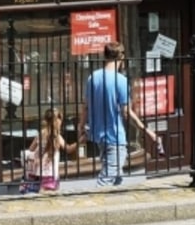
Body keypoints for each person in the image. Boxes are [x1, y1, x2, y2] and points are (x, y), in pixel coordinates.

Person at [81, 41, 160, 187]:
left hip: (99, 135)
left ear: (104, 56)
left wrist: (81, 127)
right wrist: (146, 130)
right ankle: (97, 206)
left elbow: (85, 107)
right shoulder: (121, 81)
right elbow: (126, 113)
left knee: (116, 176)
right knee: (107, 179)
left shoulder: (93, 77)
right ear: (121, 57)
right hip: (115, 136)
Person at [20, 107, 68, 194]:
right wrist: (79, 143)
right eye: (60, 119)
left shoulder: (41, 133)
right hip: (50, 172)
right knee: (48, 192)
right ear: (56, 121)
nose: (61, 122)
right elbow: (67, 148)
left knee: (42, 192)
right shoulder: (56, 136)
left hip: (39, 170)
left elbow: (31, 149)